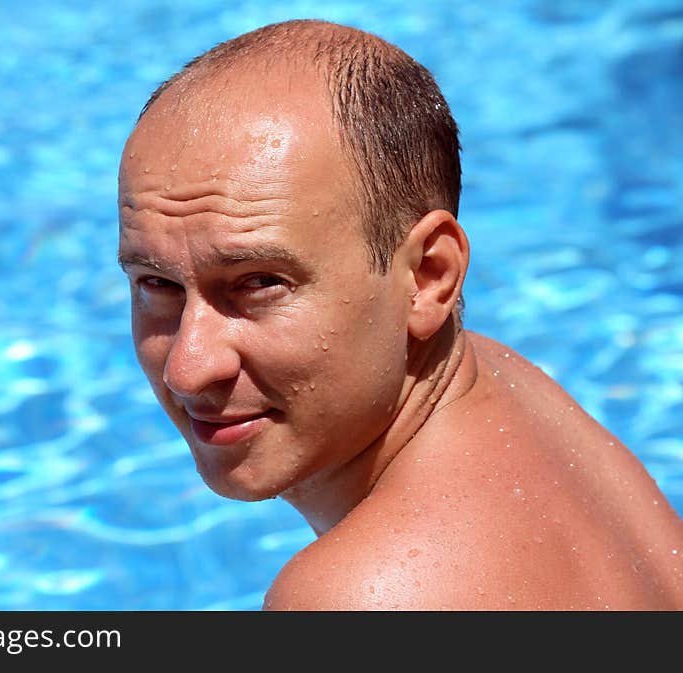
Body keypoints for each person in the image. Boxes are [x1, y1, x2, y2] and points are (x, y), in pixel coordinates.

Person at [116, 19, 683, 610]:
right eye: (156, 283)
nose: (188, 367)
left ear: (429, 277)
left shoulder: (361, 599)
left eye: (259, 283)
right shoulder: (514, 390)